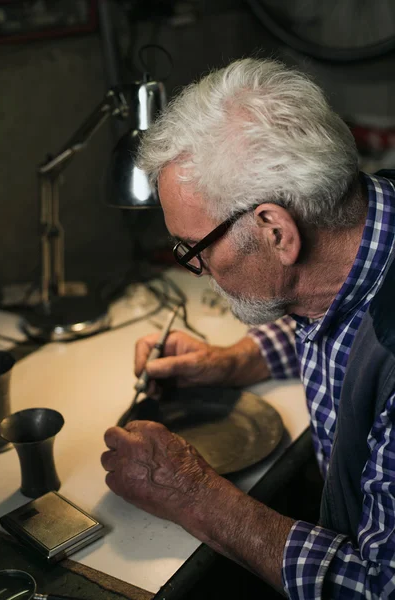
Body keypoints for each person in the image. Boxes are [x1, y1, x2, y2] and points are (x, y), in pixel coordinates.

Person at [100, 58, 395, 599]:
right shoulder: (361, 224)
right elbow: (336, 317)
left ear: (276, 231)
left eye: (193, 248)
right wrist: (232, 361)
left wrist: (192, 493)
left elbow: (378, 588)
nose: (194, 269)